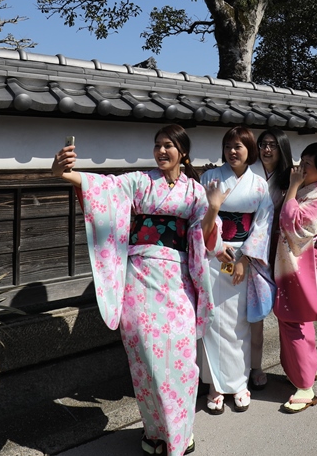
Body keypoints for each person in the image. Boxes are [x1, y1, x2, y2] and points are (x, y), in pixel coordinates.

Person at [51, 124, 225, 456]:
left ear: (183, 152)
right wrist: (65, 174)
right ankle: (156, 431)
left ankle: (180, 433)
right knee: (146, 361)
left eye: (169, 145)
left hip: (177, 283)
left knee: (181, 360)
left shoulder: (194, 192)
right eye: (157, 145)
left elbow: (203, 237)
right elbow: (101, 188)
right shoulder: (138, 182)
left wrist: (214, 207)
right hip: (139, 281)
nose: (161, 150)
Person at [198, 126, 274, 415]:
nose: (232, 151)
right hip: (214, 256)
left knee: (240, 323)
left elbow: (263, 224)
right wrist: (217, 248)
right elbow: (200, 220)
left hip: (243, 258)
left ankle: (240, 383)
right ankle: (215, 385)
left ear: (249, 151)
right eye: (228, 145)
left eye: (239, 146)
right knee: (213, 320)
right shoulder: (210, 178)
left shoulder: (259, 185)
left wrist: (245, 259)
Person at [274, 141, 317, 414]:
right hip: (292, 263)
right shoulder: (309, 189)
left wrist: (291, 187)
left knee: (293, 318)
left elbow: (292, 224)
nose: (300, 168)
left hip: (298, 266)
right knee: (297, 318)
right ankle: (309, 367)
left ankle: (305, 387)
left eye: (307, 165)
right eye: (301, 161)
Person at [246, 128, 293, 390]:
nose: (266, 149)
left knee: (269, 310)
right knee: (244, 311)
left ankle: (263, 365)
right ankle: (247, 366)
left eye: (273, 145)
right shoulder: (246, 171)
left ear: (281, 149)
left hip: (273, 248)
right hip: (243, 246)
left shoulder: (289, 179)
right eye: (263, 144)